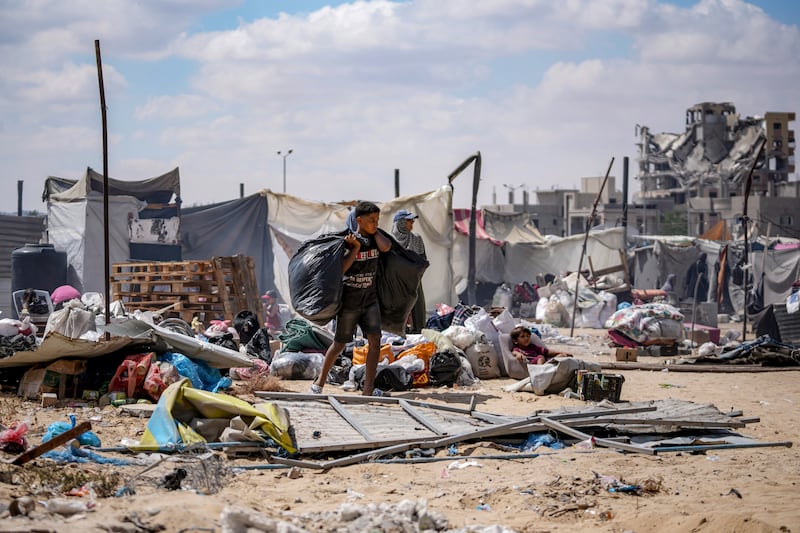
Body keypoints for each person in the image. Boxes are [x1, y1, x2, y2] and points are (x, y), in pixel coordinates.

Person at [311, 201, 392, 396]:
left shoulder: (376, 238)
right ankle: (319, 383)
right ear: (359, 220)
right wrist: (355, 248)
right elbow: (341, 269)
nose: (375, 223)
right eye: (371, 220)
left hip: (370, 300)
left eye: (377, 220)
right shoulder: (347, 240)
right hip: (350, 302)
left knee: (375, 341)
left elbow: (386, 247)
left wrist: (374, 231)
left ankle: (368, 389)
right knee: (339, 343)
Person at [391, 209, 427, 333]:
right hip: (396, 286)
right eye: (408, 220)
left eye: (412, 220)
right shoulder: (389, 242)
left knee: (418, 317)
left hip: (414, 283)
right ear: (400, 223)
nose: (412, 222)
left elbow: (423, 261)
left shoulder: (417, 239)